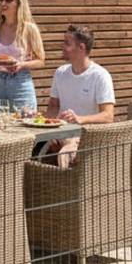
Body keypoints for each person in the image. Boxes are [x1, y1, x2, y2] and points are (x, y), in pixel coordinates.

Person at [42, 23, 115, 168]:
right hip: (62, 134)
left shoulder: (100, 75)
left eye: (67, 43)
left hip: (87, 139)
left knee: (65, 153)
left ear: (81, 48)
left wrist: (79, 119)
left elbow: (108, 116)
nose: (62, 46)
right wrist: (46, 128)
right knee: (28, 147)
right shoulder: (60, 73)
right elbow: (53, 107)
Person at [0, 0, 45, 112]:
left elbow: (41, 60)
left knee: (23, 122)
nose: (3, 3)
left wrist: (21, 64)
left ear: (19, 4)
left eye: (8, 0)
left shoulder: (29, 29)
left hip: (20, 80)